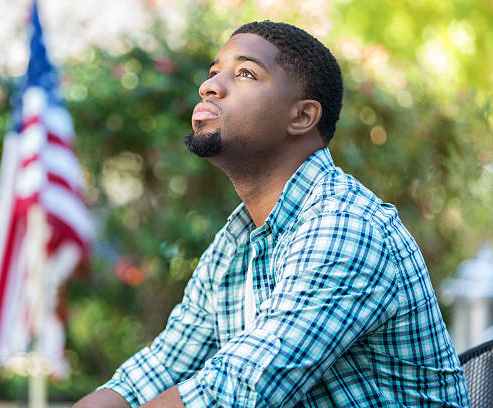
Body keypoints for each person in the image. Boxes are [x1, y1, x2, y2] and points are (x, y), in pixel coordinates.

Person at [74, 21, 470, 407]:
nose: (209, 85)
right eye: (214, 72)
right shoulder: (235, 246)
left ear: (301, 117)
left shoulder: (345, 225)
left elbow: (239, 392)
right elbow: (160, 367)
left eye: (245, 73)